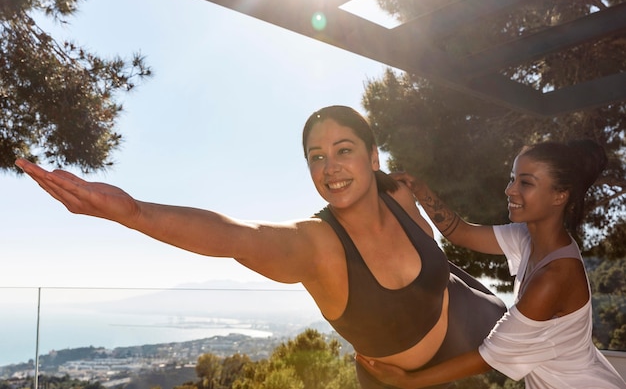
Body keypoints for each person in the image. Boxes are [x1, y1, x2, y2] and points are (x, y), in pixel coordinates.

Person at [16, 105, 505, 389]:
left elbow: (447, 233)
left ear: (372, 155)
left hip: (476, 333)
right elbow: (235, 237)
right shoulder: (315, 247)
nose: (330, 167)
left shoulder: (399, 192)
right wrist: (133, 212)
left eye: (344, 150)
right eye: (317, 157)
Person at [356, 139, 626, 388]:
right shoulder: (527, 237)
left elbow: (488, 355)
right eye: (513, 179)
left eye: (526, 183)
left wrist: (409, 381)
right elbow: (461, 232)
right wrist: (421, 190)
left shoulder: (555, 276)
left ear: (560, 196)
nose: (510, 190)